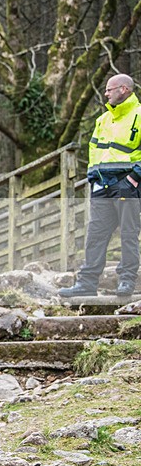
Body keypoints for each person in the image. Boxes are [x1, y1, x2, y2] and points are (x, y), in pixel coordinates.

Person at [60, 73, 141, 298]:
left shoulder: (139, 115)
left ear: (124, 90)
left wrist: (134, 178)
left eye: (109, 89)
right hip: (102, 187)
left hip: (128, 185)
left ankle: (126, 281)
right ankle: (86, 283)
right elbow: (94, 150)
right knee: (95, 235)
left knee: (128, 234)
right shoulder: (103, 119)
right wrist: (92, 177)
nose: (106, 94)